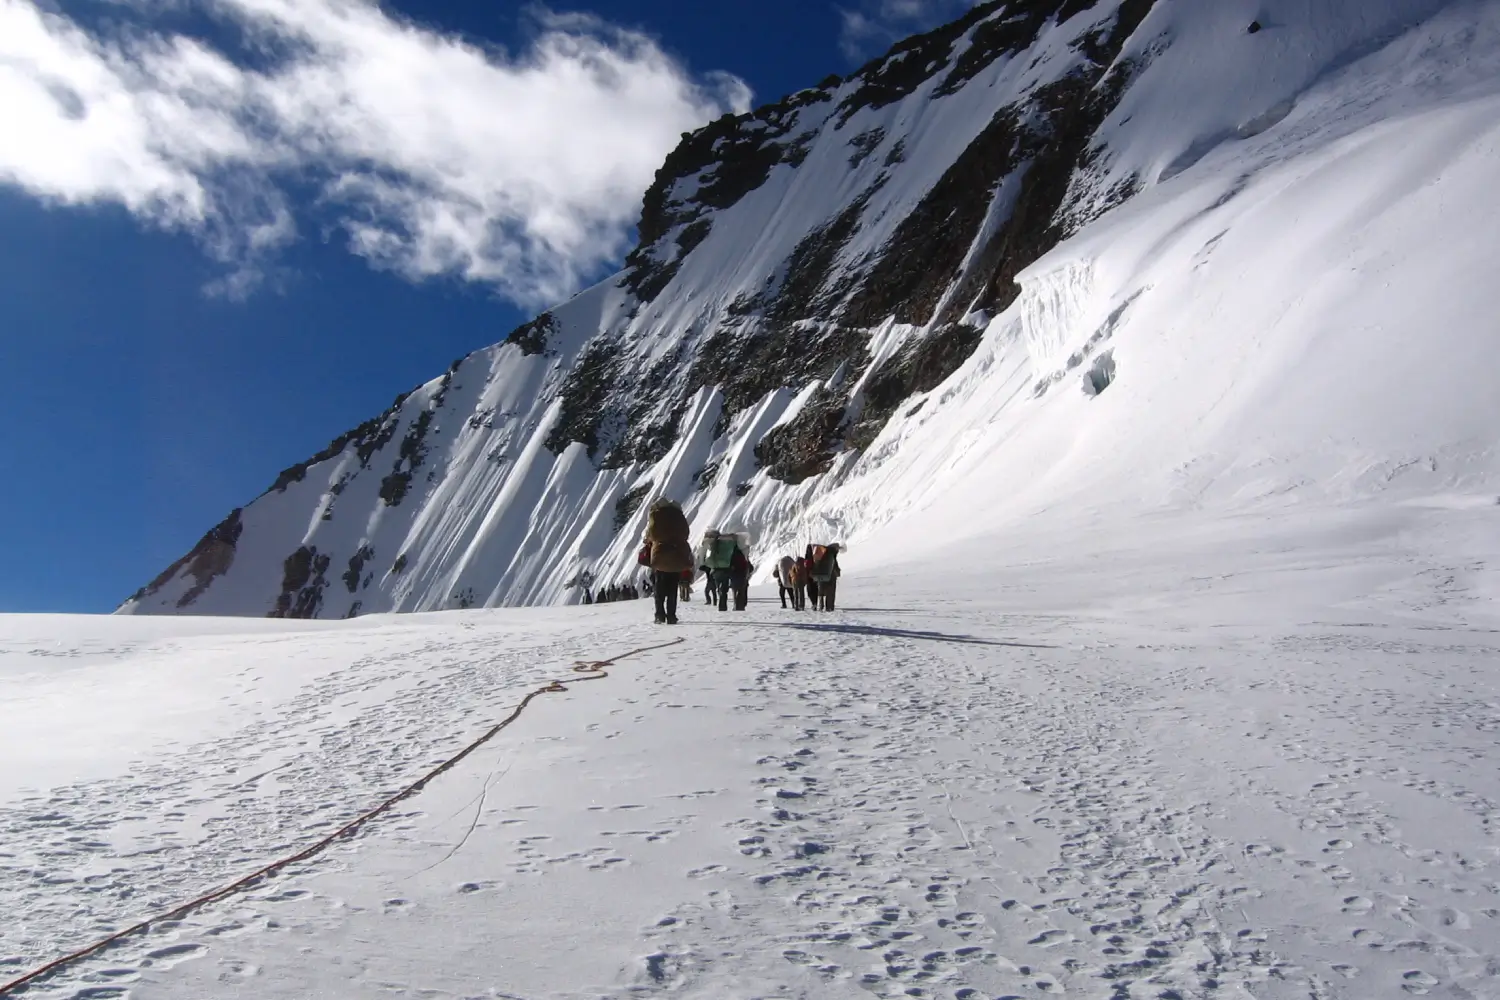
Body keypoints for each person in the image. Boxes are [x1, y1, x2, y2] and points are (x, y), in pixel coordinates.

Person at [643, 498, 693, 624]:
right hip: (677, 556)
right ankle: (671, 616)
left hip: (660, 556)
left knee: (659, 591)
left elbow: (651, 534)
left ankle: (660, 615)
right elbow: (686, 533)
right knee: (672, 590)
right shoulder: (678, 517)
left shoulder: (656, 516)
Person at [701, 529, 739, 612]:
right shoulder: (727, 544)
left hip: (715, 569)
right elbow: (733, 547)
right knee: (724, 587)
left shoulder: (711, 545)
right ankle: (723, 604)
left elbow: (706, 557)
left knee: (718, 586)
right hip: (725, 568)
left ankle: (720, 593)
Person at [810, 543, 841, 611]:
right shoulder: (832, 555)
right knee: (830, 592)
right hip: (830, 577)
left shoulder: (822, 554)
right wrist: (838, 572)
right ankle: (829, 607)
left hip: (820, 576)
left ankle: (820, 606)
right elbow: (835, 567)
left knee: (821, 591)